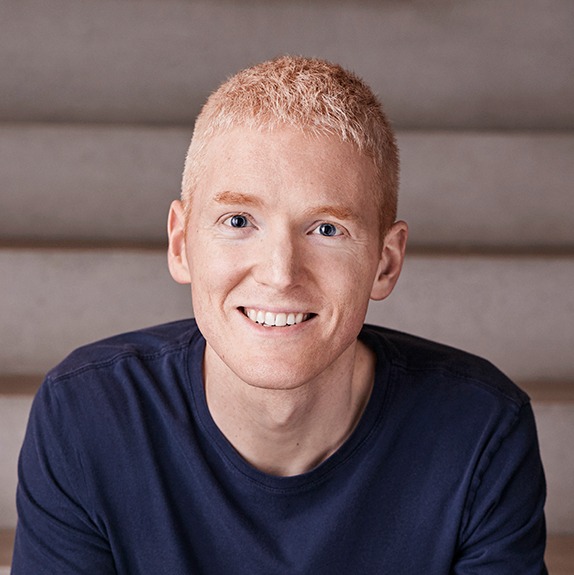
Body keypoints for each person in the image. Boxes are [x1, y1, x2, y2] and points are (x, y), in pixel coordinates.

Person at [13, 56, 547, 574]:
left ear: (385, 263)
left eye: (327, 229)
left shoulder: (480, 430)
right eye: (238, 220)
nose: (280, 273)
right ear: (180, 244)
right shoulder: (88, 413)